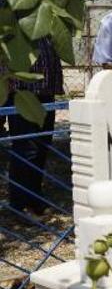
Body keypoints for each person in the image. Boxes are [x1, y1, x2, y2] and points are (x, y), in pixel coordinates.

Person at [5, 38, 63, 215]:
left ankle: (35, 199)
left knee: (42, 146)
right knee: (26, 148)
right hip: (22, 93)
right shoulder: (11, 20)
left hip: (46, 92)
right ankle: (18, 204)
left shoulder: (45, 23)